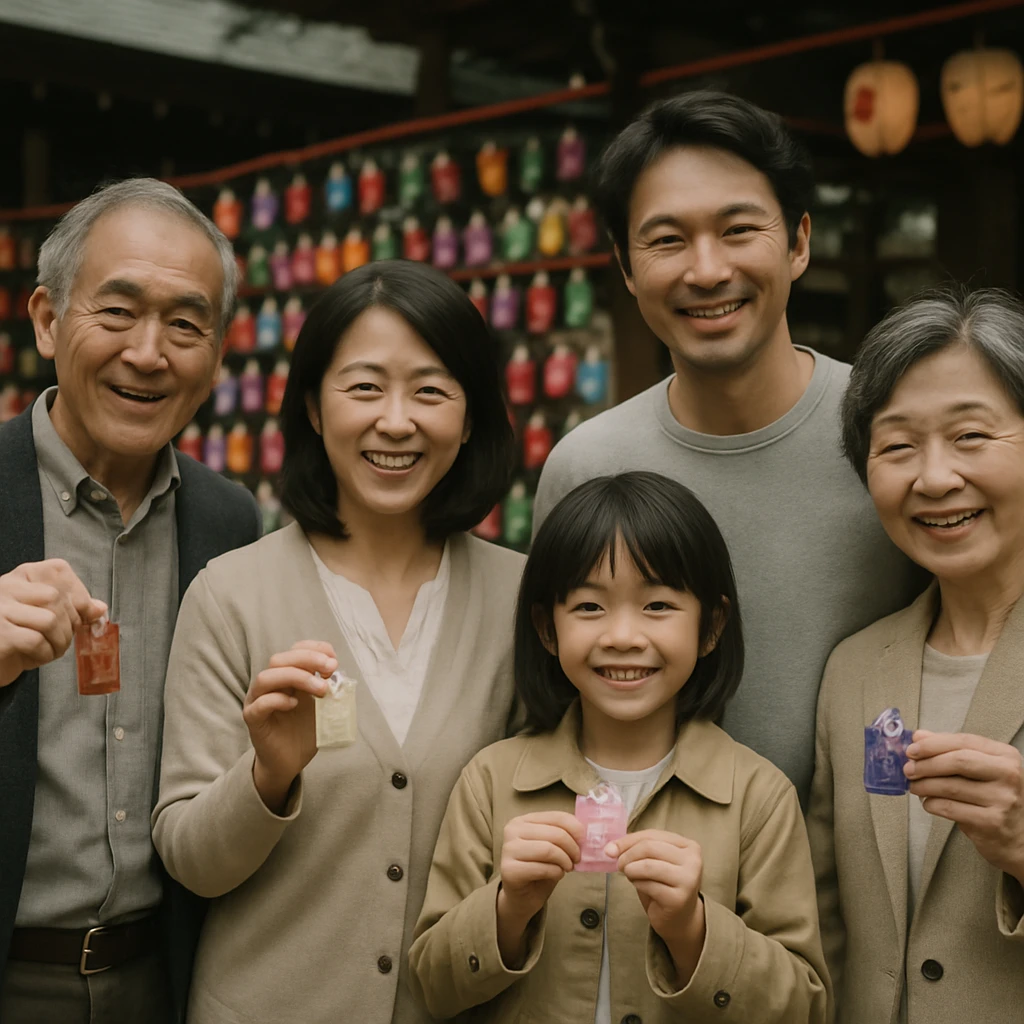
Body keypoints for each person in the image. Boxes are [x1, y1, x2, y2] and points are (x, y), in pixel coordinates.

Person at [151, 259, 524, 1024]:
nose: (396, 421)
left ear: (473, 414)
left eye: (430, 390)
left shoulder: (521, 600)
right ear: (314, 410)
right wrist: (268, 777)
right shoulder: (231, 593)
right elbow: (189, 859)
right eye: (362, 388)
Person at [533, 90, 923, 804]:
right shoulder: (587, 467)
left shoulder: (893, 438)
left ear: (799, 242)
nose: (707, 270)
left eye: (738, 229)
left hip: (869, 870)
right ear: (623, 266)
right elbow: (549, 705)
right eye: (667, 240)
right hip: (650, 881)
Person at [409, 472, 830, 1023]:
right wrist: (507, 908)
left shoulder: (759, 796)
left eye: (657, 606)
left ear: (711, 626)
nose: (623, 636)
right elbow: (432, 989)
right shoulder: (491, 781)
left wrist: (693, 930)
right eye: (589, 607)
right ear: (546, 627)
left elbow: (804, 1007)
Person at [0, 179, 262, 1024]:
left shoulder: (230, 521)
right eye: (116, 312)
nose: (149, 353)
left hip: (164, 976)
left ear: (218, 353)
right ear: (46, 319)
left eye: (185, 325)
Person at [807, 287, 1024, 1024]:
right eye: (897, 446)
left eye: (970, 437)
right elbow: (826, 927)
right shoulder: (857, 669)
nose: (933, 478)